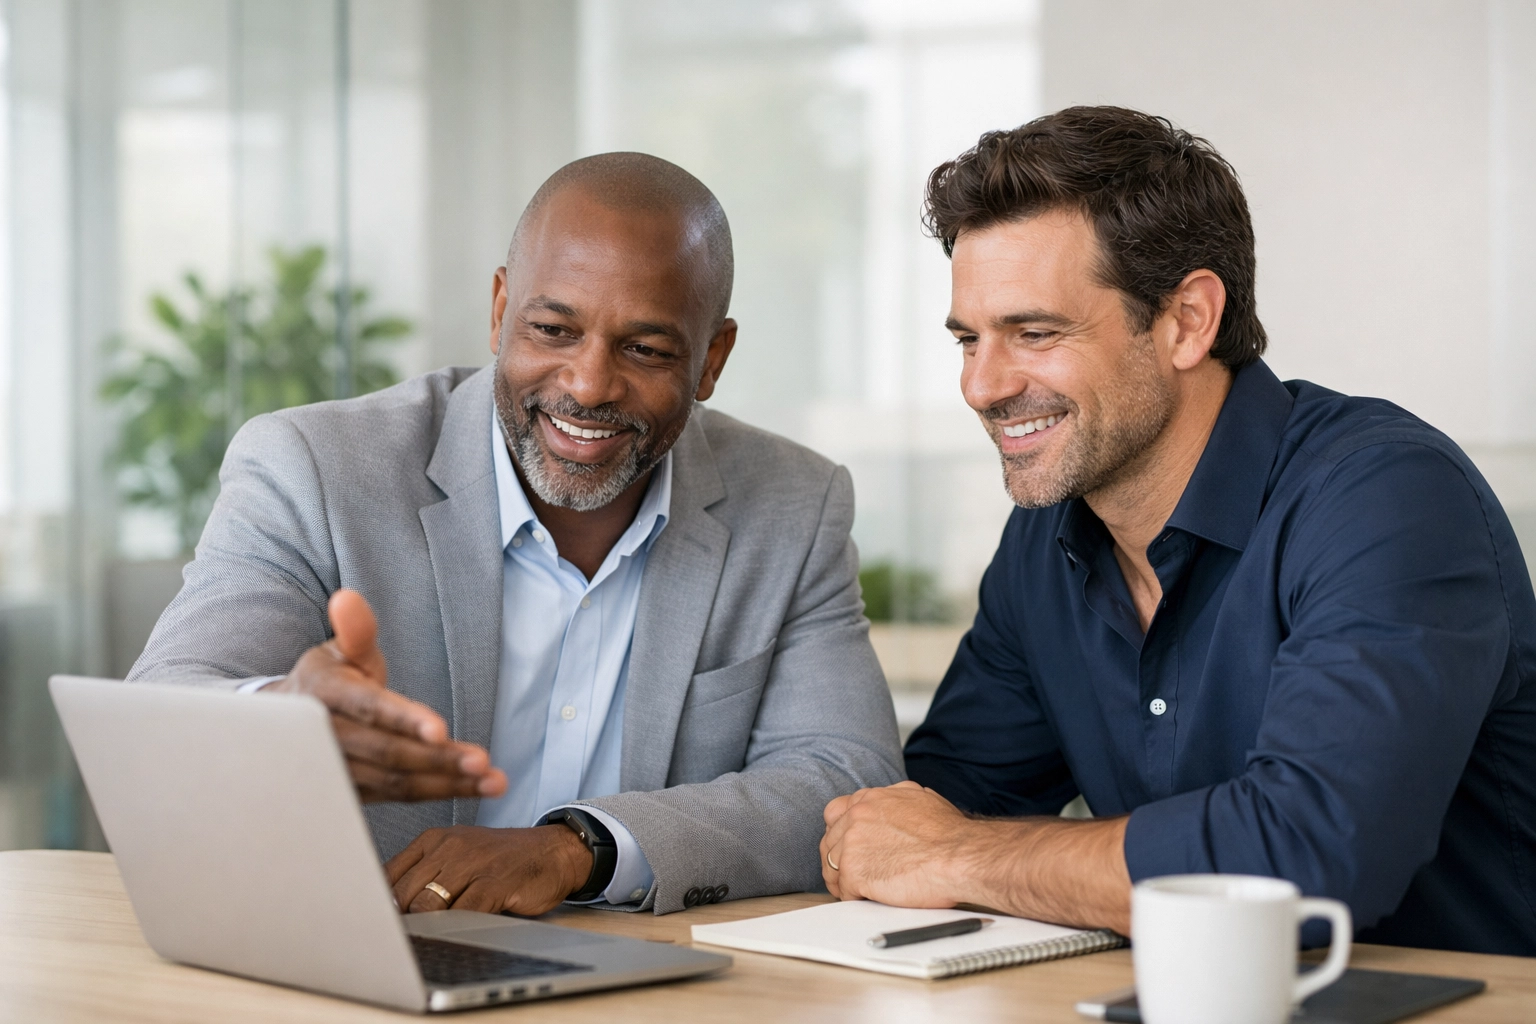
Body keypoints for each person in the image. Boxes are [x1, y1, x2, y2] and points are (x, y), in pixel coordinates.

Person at [818, 106, 1536, 956]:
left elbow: (1308, 859)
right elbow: (936, 807)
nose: (981, 386)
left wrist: (957, 854)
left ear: (1188, 320)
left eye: (1035, 333)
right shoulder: (1046, 539)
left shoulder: (1388, 498)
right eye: (968, 339)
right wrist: (912, 838)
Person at [132, 152, 902, 917]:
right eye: (553, 329)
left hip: (644, 983)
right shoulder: (315, 469)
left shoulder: (794, 504)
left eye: (646, 349)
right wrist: (284, 714)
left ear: (712, 358)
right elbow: (159, 715)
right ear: (502, 310)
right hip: (362, 970)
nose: (589, 384)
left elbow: (843, 776)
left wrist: (580, 848)